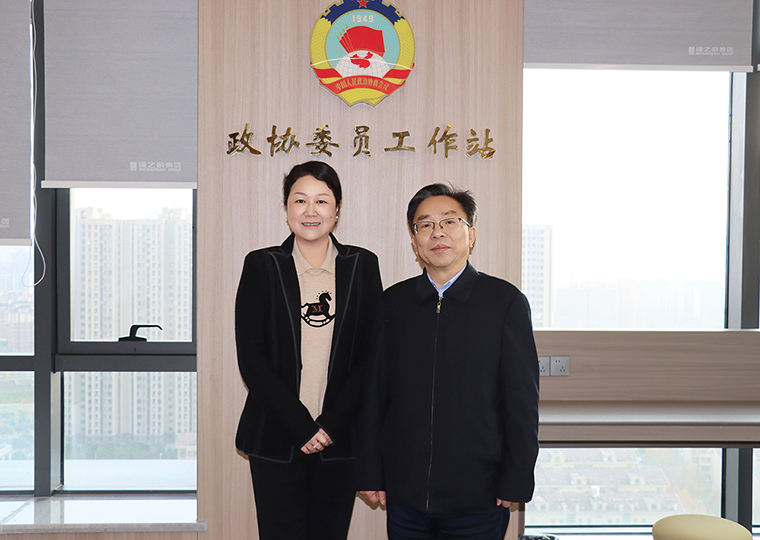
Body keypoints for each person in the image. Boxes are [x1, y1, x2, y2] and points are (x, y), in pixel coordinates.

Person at [357, 183, 539, 539]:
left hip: (480, 495)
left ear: (471, 235)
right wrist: (369, 470)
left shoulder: (504, 302)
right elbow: (373, 394)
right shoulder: (392, 303)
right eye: (425, 225)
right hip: (405, 495)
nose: (437, 232)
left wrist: (516, 477)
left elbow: (521, 401)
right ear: (415, 241)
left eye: (449, 222)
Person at [235, 161, 383, 540]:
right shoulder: (262, 265)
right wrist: (301, 427)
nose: (310, 210)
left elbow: (370, 356)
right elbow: (252, 357)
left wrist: (329, 425)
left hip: (339, 437)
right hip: (275, 436)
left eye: (322, 200)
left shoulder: (362, 265)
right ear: (286, 208)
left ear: (337, 209)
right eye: (300, 200)